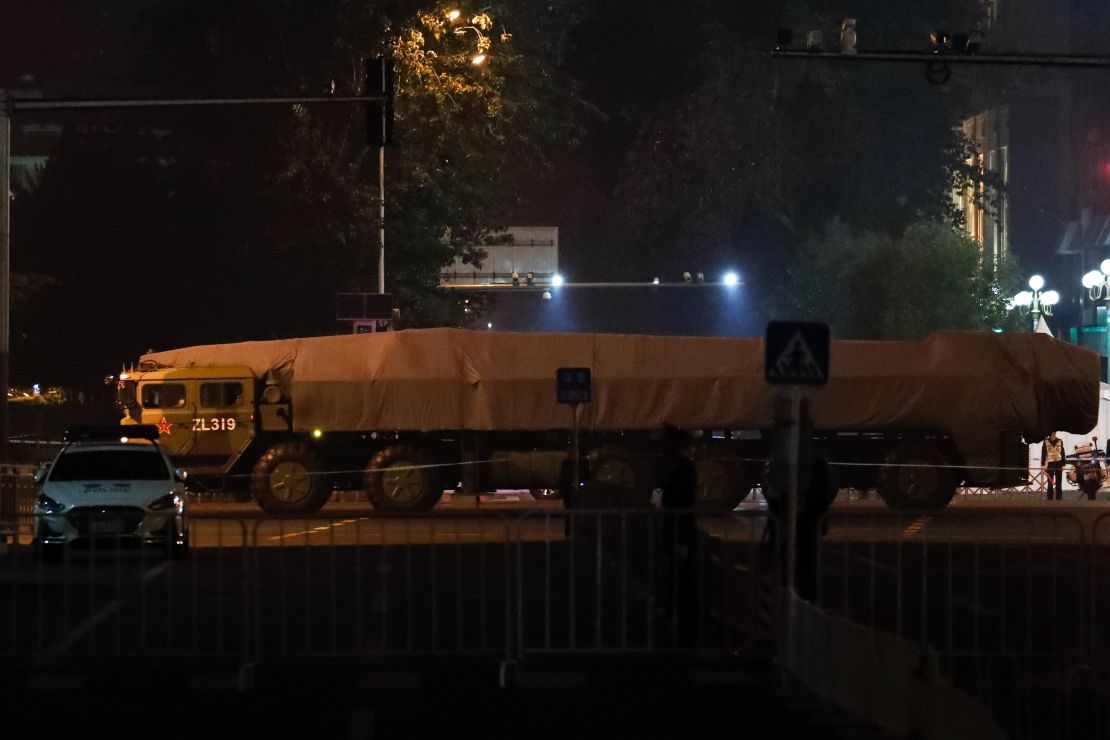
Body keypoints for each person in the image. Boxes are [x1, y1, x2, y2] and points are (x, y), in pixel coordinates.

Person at [1041, 431, 1066, 501]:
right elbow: (1043, 453)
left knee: (1059, 482)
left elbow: (1063, 452)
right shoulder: (1045, 441)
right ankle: (1050, 499)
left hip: (1059, 463)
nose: (1053, 433)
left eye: (1054, 432)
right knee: (1050, 483)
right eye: (1052, 432)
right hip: (1050, 464)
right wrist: (1043, 464)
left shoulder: (1060, 441)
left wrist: (1063, 464)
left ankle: (1059, 498)